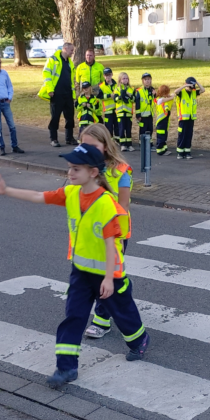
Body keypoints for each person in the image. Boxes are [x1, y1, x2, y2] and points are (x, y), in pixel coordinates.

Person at [0, 143, 149, 387]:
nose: (70, 173)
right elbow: (40, 197)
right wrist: (7, 191)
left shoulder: (106, 204)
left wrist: (109, 279)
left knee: (122, 311)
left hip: (106, 273)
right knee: (74, 316)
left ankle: (139, 340)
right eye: (69, 168)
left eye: (76, 169)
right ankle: (66, 367)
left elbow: (113, 244)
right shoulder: (71, 193)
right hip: (81, 273)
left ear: (93, 172)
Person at [79, 123, 133, 338]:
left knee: (108, 276)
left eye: (92, 145)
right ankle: (115, 303)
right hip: (90, 233)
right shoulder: (82, 167)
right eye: (83, 145)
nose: (87, 150)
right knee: (94, 276)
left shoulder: (120, 171)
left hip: (114, 234)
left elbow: (123, 206)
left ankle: (101, 320)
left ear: (105, 145)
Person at [0, 53, 25, 156]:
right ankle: (1, 147)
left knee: (12, 126)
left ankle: (14, 146)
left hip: (5, 102)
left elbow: (10, 86)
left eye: (0, 63)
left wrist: (9, 98)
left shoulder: (4, 73)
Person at [39, 42, 77, 147]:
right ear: (65, 49)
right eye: (71, 50)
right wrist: (50, 89)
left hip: (68, 93)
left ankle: (69, 138)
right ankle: (54, 138)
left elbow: (71, 78)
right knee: (55, 116)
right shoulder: (53, 60)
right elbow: (46, 74)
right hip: (56, 94)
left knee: (70, 117)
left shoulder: (70, 62)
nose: (72, 52)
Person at [175, 76, 203, 159]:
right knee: (182, 135)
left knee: (189, 135)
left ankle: (187, 152)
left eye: (193, 86)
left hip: (191, 118)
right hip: (183, 119)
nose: (191, 88)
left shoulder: (194, 92)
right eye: (190, 86)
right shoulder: (181, 93)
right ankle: (180, 152)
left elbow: (203, 90)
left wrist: (197, 82)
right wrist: (185, 86)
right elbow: (176, 91)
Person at [115, 72, 135, 151]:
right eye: (124, 78)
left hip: (128, 113)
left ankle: (129, 144)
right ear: (120, 80)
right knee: (121, 128)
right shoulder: (117, 89)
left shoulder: (131, 89)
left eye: (127, 78)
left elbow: (134, 99)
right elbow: (115, 100)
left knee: (128, 129)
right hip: (120, 113)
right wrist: (120, 96)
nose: (125, 80)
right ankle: (123, 144)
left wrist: (128, 95)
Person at [99, 66, 119, 140]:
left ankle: (117, 140)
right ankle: (109, 141)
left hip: (117, 110)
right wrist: (109, 95)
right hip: (107, 111)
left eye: (109, 75)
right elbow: (100, 96)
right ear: (104, 76)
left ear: (112, 75)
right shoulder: (101, 86)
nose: (108, 77)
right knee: (108, 127)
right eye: (106, 75)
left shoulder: (117, 85)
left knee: (117, 126)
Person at [135, 73, 156, 140]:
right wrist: (138, 115)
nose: (147, 81)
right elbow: (137, 104)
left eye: (149, 79)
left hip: (150, 114)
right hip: (142, 115)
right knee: (143, 130)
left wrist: (155, 95)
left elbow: (155, 101)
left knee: (150, 130)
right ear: (142, 81)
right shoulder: (139, 91)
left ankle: (150, 144)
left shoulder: (152, 90)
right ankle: (142, 144)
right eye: (145, 79)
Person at [155, 85, 173, 154]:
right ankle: (160, 150)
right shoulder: (159, 99)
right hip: (160, 121)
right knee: (161, 136)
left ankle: (164, 149)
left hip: (164, 121)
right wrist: (171, 96)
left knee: (164, 135)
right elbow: (163, 100)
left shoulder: (164, 99)